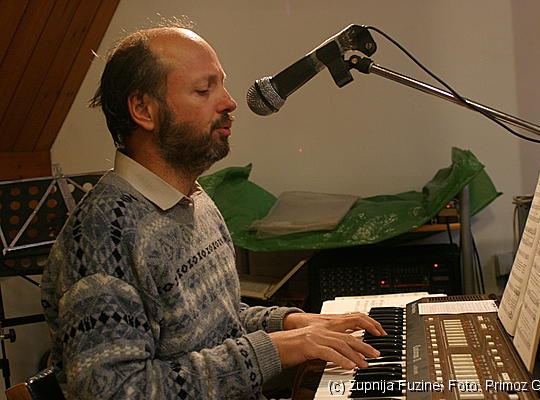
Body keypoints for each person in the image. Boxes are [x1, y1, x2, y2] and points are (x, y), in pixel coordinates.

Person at [41, 24, 386, 399]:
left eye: (222, 85)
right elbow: (115, 391)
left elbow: (218, 326)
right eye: (204, 90)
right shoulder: (102, 238)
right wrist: (278, 348)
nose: (229, 102)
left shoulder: (193, 199)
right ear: (143, 110)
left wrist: (292, 323)